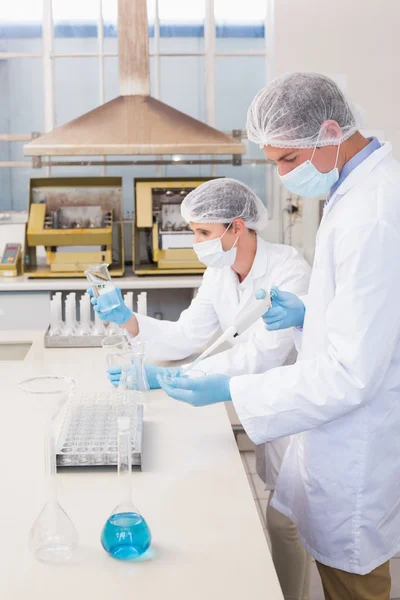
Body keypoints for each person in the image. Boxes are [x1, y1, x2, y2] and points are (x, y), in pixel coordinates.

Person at [158, 72, 400, 600]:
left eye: (288, 160)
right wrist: (311, 312)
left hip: (355, 439)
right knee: (298, 534)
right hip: (329, 431)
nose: (285, 175)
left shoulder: (372, 212)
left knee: (354, 582)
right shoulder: (353, 191)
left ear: (332, 130)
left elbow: (352, 373)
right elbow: (369, 316)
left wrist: (232, 390)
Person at [92, 177, 311, 600]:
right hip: (257, 403)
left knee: (290, 520)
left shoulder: (288, 268)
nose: (195, 242)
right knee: (274, 506)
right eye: (193, 231)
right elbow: (189, 333)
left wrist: (173, 376)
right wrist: (128, 319)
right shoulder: (220, 271)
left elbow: (263, 355)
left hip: (292, 407)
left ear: (236, 227)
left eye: (203, 233)